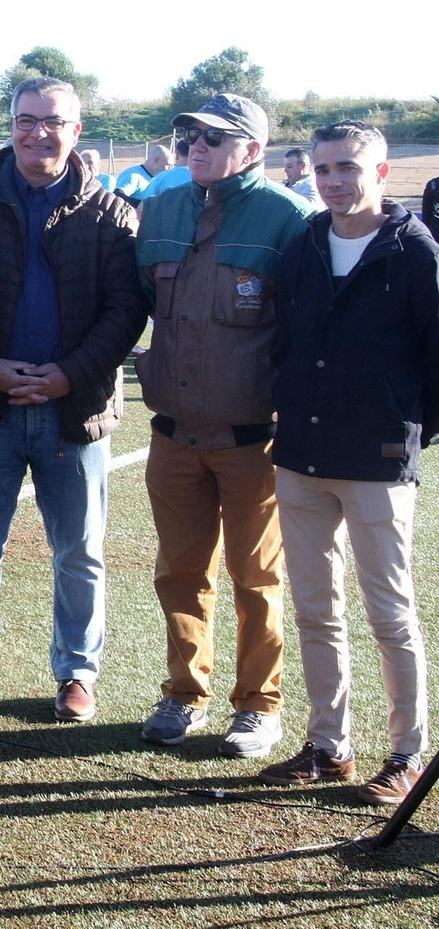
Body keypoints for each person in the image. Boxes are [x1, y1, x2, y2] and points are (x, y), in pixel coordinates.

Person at [0, 78, 144, 721]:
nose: (39, 134)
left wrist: (69, 375)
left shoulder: (112, 213)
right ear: (11, 127)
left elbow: (125, 311)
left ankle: (77, 674)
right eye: (27, 121)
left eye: (53, 122)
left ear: (76, 130)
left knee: (79, 550)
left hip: (74, 411)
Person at [258, 121, 437, 804]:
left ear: (382, 173)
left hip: (378, 461)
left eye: (348, 168)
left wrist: (405, 431)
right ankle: (328, 743)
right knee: (314, 608)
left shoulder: (415, 251)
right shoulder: (305, 242)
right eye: (324, 168)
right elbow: (286, 341)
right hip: (301, 455)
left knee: (391, 614)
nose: (333, 180)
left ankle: (405, 754)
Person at [135, 93, 310, 756]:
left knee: (255, 577)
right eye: (188, 137)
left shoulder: (288, 219)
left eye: (214, 137)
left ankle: (259, 705)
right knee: (179, 573)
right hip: (174, 433)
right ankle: (183, 693)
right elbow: (143, 297)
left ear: (253, 149)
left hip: (252, 442)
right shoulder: (162, 207)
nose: (196, 147)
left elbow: (304, 327)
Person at [281, 146, 324, 210]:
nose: (285, 170)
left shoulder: (310, 188)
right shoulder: (295, 183)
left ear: (302, 165)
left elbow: (310, 214)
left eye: (289, 166)